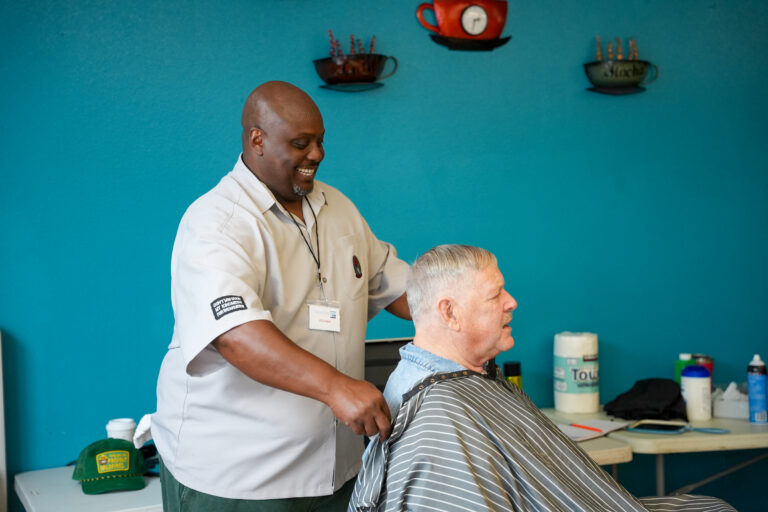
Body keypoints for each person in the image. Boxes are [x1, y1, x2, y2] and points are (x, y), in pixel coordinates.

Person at [148, 81, 411, 511]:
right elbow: (235, 335)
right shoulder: (216, 221)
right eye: (301, 143)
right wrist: (337, 388)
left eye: (320, 142)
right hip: (241, 480)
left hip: (337, 472)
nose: (317, 155)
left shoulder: (337, 206)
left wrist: (462, 304)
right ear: (257, 140)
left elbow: (394, 284)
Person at [349, 244, 734, 512]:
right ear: (450, 313)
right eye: (495, 295)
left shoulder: (470, 379)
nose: (511, 301)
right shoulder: (440, 412)